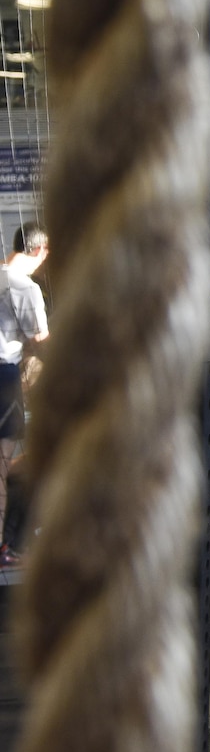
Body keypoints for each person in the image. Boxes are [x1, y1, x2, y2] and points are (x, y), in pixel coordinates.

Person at [0, 222, 48, 567]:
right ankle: (7, 548)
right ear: (38, 251)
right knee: (4, 468)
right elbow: (42, 340)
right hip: (4, 376)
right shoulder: (25, 287)